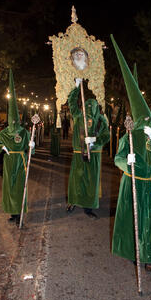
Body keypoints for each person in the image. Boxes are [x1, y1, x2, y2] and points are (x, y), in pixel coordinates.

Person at [110, 35, 151, 274]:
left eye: (149, 119)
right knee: (134, 221)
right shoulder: (127, 137)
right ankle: (137, 254)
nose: (146, 122)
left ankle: (149, 257)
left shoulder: (147, 136)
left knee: (147, 223)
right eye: (143, 119)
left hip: (148, 185)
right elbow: (117, 158)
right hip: (131, 183)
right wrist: (128, 162)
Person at [0, 70, 34, 225]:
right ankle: (13, 212)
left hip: (21, 160)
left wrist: (31, 145)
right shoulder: (4, 132)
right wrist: (3, 148)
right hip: (9, 161)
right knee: (9, 186)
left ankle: (20, 212)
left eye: (16, 119)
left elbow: (31, 150)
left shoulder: (24, 131)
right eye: (12, 119)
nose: (14, 122)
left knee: (19, 186)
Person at [66, 78, 110, 218]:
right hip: (79, 153)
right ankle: (73, 201)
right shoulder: (79, 116)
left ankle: (89, 206)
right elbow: (71, 102)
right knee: (76, 179)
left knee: (91, 181)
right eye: (87, 106)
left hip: (94, 155)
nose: (90, 109)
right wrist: (77, 87)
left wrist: (95, 141)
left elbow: (106, 136)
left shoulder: (101, 120)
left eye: (93, 107)